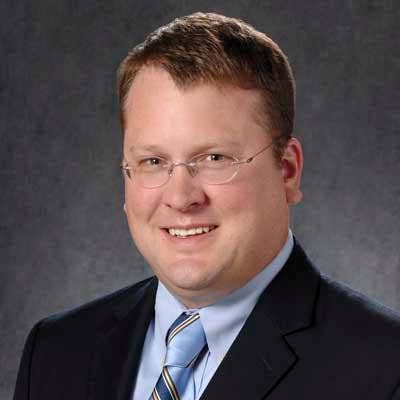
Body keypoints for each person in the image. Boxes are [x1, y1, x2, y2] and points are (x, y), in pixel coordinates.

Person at [14, 12, 400, 400]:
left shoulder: (384, 368)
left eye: (215, 158)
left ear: (287, 171)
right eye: (153, 161)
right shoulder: (55, 352)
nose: (181, 198)